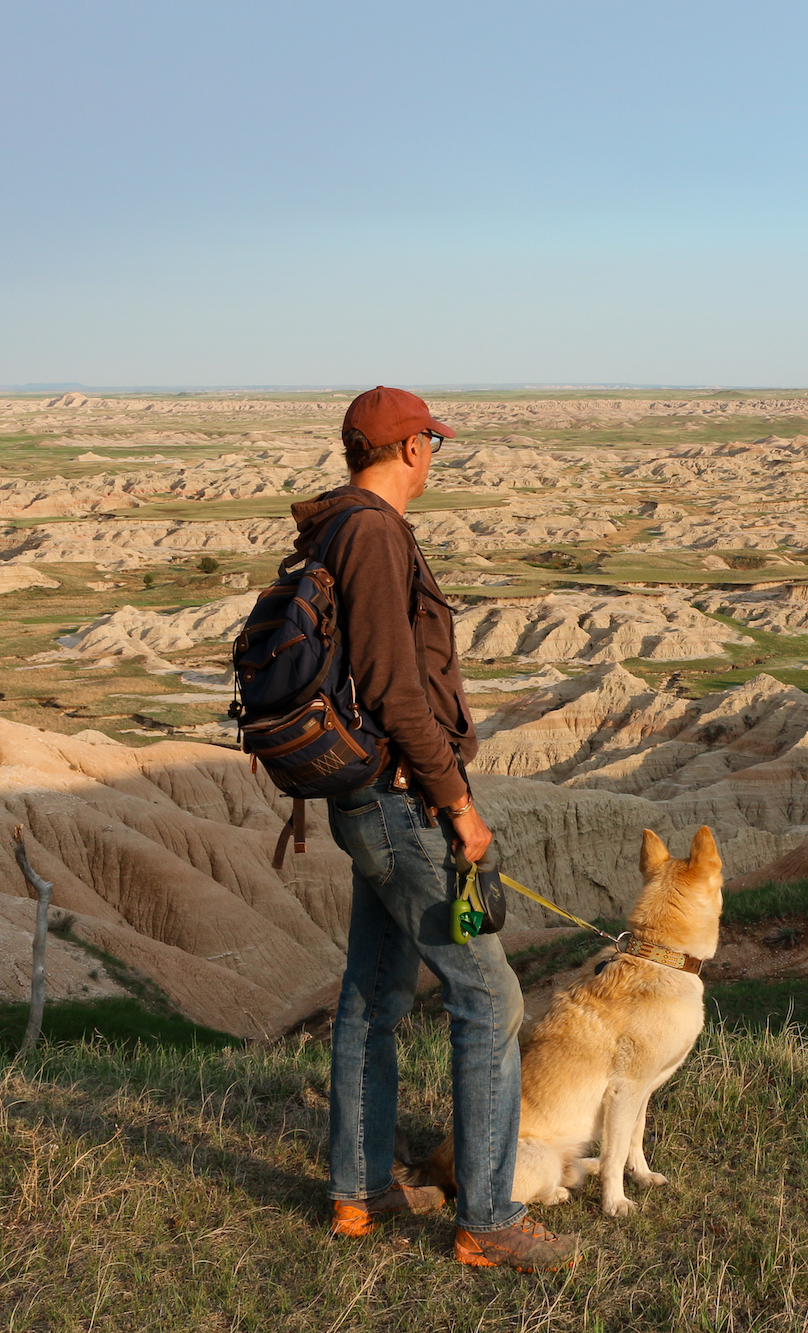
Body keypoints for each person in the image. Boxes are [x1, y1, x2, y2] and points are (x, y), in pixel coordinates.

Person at [295, 385, 580, 1272]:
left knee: (373, 994)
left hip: (367, 796)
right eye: (434, 443)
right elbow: (395, 689)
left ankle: (361, 1190)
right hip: (398, 799)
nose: (434, 457)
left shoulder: (336, 526)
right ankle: (488, 1218)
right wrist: (457, 803)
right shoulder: (375, 533)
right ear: (414, 447)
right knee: (490, 998)